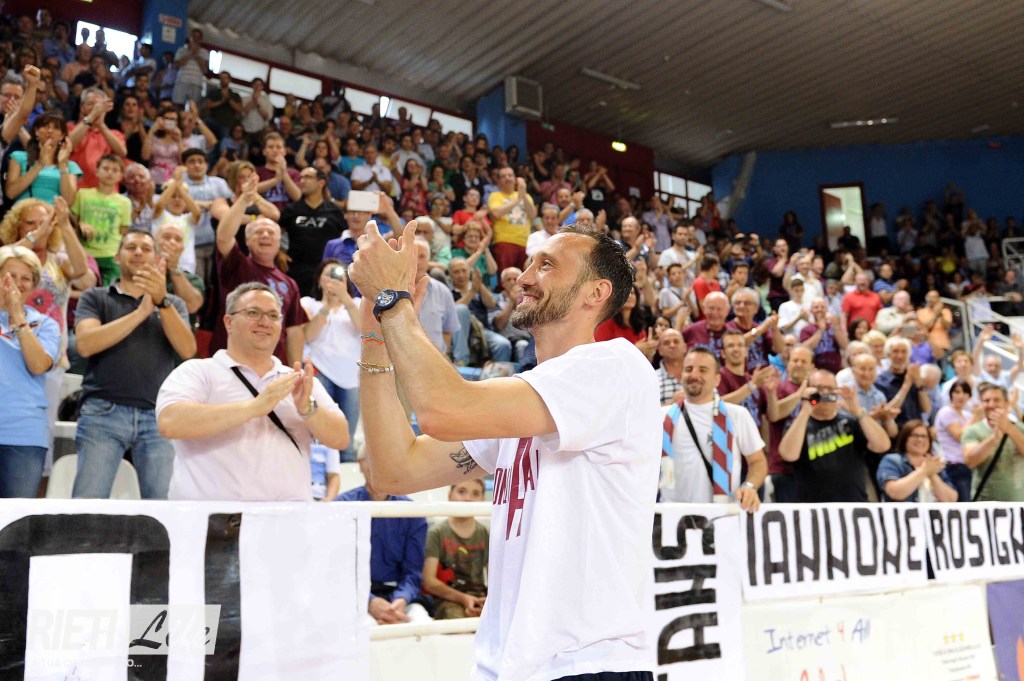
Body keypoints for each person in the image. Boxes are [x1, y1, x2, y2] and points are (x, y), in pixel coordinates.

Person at [347, 221, 660, 681]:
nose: (525, 277)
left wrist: (394, 301)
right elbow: (395, 470)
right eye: (530, 263)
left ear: (596, 292)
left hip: (588, 664)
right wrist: (375, 335)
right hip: (512, 664)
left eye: (547, 265)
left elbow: (442, 409)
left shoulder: (614, 365)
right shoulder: (525, 399)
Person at [157, 282, 349, 500]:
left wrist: (308, 409)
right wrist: (254, 407)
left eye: (273, 316)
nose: (264, 322)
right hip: (215, 517)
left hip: (289, 515)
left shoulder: (298, 380)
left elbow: (340, 438)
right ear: (229, 322)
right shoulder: (198, 372)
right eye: (253, 313)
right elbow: (170, 422)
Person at [72, 231, 196, 499]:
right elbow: (85, 344)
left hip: (157, 415)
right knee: (88, 505)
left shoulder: (173, 304)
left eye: (146, 248)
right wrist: (141, 313)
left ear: (157, 259)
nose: (138, 252)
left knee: (164, 507)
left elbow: (188, 350)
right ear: (117, 257)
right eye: (131, 247)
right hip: (102, 411)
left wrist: (161, 303)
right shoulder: (95, 297)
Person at [213, 176, 308, 364]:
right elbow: (223, 237)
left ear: (279, 242)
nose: (265, 235)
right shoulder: (238, 265)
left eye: (271, 232)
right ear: (247, 241)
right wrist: (245, 198)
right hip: (231, 363)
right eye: (258, 232)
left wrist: (296, 369)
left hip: (270, 366)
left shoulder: (289, 284)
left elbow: (294, 330)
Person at [660, 347, 766, 510]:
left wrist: (750, 486)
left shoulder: (737, 415)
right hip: (672, 513)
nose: (694, 375)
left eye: (702, 370)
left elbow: (757, 461)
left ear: (717, 379)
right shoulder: (661, 417)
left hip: (722, 513)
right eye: (688, 369)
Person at [337, 450, 430, 625]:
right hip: (352, 597)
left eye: (386, 457)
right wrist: (369, 601)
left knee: (422, 623)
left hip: (397, 599)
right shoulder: (340, 507)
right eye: (372, 458)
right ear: (360, 464)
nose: (379, 464)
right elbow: (337, 568)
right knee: (366, 628)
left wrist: (400, 600)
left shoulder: (412, 512)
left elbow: (413, 572)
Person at [0, 245, 60, 497]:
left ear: (34, 286)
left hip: (24, 436)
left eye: (26, 278)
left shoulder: (47, 325)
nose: (17, 283)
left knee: (16, 518)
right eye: (10, 275)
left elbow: (37, 365)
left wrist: (17, 315)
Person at [778, 369, 891, 503]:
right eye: (819, 388)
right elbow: (788, 455)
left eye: (830, 388)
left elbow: (882, 446)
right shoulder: (799, 425)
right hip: (813, 508)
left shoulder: (851, 422)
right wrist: (805, 410)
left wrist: (857, 411)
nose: (825, 393)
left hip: (853, 505)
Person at [302, 260, 361, 462]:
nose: (333, 280)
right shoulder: (308, 304)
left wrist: (344, 298)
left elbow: (364, 328)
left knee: (347, 440)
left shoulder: (356, 304)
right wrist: (327, 305)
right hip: (320, 372)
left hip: (351, 376)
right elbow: (308, 335)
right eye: (328, 275)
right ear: (319, 280)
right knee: (321, 435)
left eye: (338, 276)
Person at [422, 479, 489, 620]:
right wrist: (464, 599)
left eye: (475, 493)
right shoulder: (437, 533)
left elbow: (495, 576)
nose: (468, 498)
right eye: (461, 491)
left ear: (483, 500)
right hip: (448, 599)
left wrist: (488, 600)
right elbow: (429, 581)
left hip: (480, 597)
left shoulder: (485, 533)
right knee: (456, 621)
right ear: (450, 495)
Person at [279, 167, 345, 296]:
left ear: (321, 182)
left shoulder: (335, 211)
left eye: (308, 177)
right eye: (301, 178)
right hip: (296, 270)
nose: (302, 181)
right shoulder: (291, 210)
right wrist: (279, 252)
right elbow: (276, 231)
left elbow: (345, 236)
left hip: (327, 271)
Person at [70, 154, 131, 285]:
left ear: (121, 176)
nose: (110, 173)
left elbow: (123, 230)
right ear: (97, 171)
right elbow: (72, 220)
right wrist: (80, 223)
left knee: (111, 292)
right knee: (87, 290)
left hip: (110, 255)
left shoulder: (125, 202)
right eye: (106, 168)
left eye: (115, 170)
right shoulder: (83, 194)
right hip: (85, 253)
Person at [962, 383, 1024, 502]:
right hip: (985, 504)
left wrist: (1009, 429)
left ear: (1006, 403)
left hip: (1018, 504)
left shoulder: (1020, 428)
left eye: (996, 400)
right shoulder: (972, 431)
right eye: (986, 401)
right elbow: (970, 461)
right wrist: (995, 438)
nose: (991, 405)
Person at [6, 109, 80, 205]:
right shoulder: (19, 157)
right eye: (45, 126)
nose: (50, 131)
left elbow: (69, 201)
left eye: (56, 128)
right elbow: (10, 193)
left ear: (62, 136)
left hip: (54, 212)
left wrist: (62, 166)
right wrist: (39, 165)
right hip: (25, 211)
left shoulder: (70, 166)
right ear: (36, 131)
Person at [877, 420, 958, 503]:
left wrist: (933, 475)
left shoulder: (934, 465)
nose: (919, 439)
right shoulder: (892, 460)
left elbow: (951, 500)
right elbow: (894, 492)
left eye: (924, 436)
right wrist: (924, 471)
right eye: (915, 435)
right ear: (905, 438)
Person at [67, 88, 126, 190]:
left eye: (99, 105)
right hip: (77, 190)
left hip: (107, 192)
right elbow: (68, 146)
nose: (96, 108)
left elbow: (122, 152)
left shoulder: (114, 134)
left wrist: (101, 125)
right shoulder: (70, 128)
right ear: (82, 107)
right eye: (91, 104)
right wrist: (91, 116)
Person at [487, 167, 536, 272]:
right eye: (503, 176)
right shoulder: (495, 196)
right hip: (504, 241)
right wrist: (518, 200)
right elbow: (496, 213)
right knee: (506, 277)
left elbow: (533, 216)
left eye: (510, 175)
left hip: (526, 243)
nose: (507, 178)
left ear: (515, 179)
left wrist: (523, 194)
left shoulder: (526, 196)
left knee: (525, 278)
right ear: (499, 181)